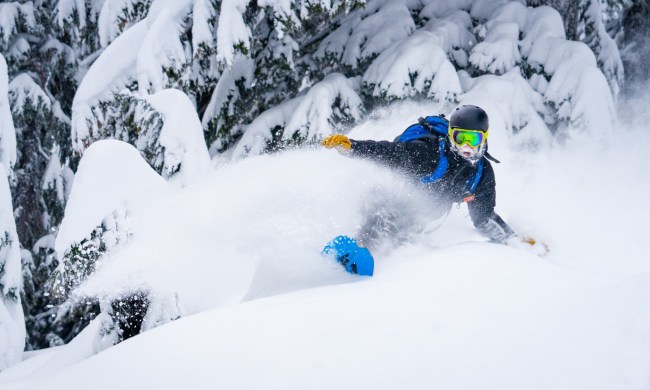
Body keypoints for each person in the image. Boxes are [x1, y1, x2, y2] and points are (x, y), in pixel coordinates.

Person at [322, 105, 546, 266]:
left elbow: (484, 218)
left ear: (484, 138)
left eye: (474, 139)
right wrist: (352, 147)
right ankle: (353, 257)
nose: (466, 146)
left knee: (402, 244)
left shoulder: (481, 173)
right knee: (382, 219)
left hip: (419, 218)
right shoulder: (428, 153)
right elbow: (387, 153)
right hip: (387, 198)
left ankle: (382, 274)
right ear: (450, 135)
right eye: (460, 138)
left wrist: (514, 239)